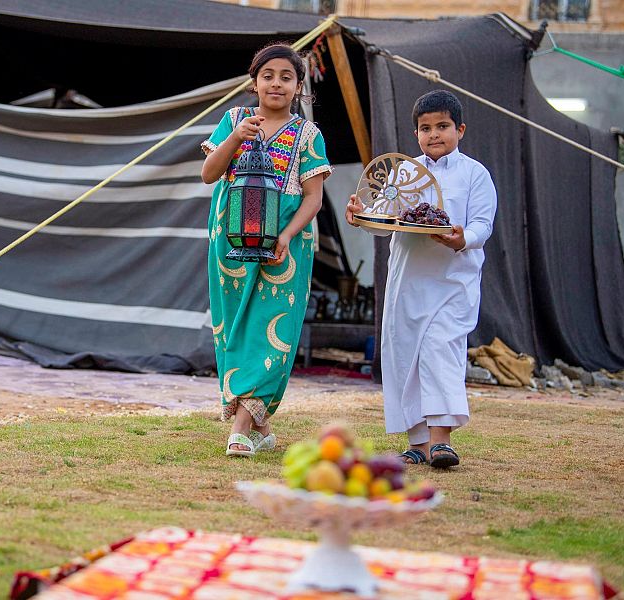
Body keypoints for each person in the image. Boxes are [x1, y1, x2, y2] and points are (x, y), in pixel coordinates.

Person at [345, 89, 497, 468]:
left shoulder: (474, 174)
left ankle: (442, 439)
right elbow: (382, 223)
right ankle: (419, 443)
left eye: (442, 126)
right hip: (407, 283)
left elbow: (482, 224)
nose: (434, 135)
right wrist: (361, 215)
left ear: (460, 130)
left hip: (452, 284)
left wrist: (464, 239)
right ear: (416, 134)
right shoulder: (404, 171)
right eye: (425, 128)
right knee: (405, 356)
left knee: (438, 350)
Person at [201, 44, 332, 457]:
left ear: (298, 86)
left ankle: (240, 429)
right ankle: (260, 425)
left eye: (286, 77)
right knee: (235, 328)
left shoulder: (308, 135)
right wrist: (235, 139)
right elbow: (208, 174)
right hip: (230, 241)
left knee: (273, 328)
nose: (277, 83)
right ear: (254, 81)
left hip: (284, 246)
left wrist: (288, 235)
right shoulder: (234, 120)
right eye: (269, 75)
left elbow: (313, 198)